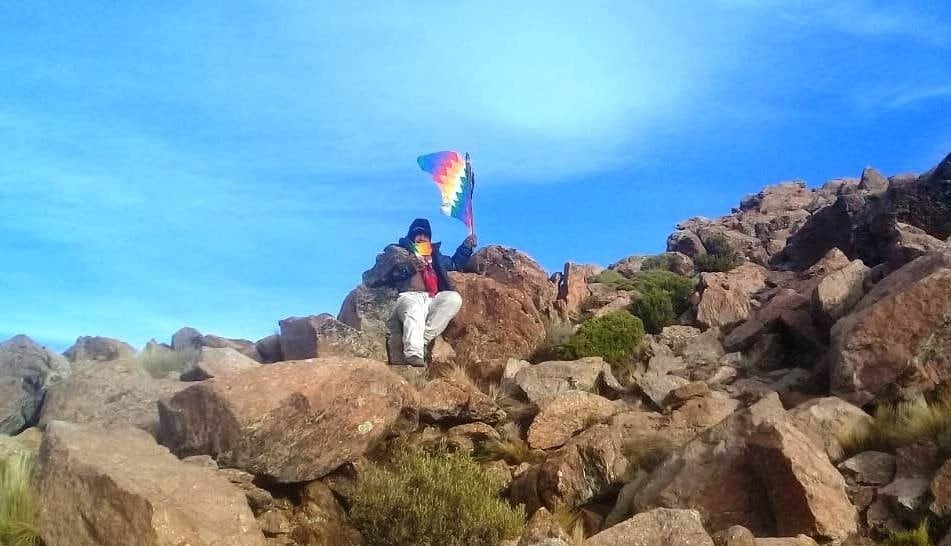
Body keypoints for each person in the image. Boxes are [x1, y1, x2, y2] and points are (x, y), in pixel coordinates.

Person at [371, 218, 477, 367]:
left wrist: (466, 247)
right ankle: (414, 353)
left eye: (425, 234)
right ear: (411, 236)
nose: (422, 237)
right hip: (408, 296)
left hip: (431, 297)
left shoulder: (435, 256)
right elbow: (383, 275)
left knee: (453, 299)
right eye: (418, 234)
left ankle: (423, 340)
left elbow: (454, 264)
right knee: (415, 310)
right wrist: (409, 267)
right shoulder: (397, 251)